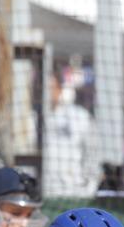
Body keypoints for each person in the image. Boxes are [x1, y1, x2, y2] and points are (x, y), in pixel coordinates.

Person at [41, 68, 99, 198]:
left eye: (50, 87)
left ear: (59, 89)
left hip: (72, 196)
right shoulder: (29, 119)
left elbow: (92, 158)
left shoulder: (79, 117)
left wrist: (87, 191)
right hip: (41, 195)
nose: (46, 93)